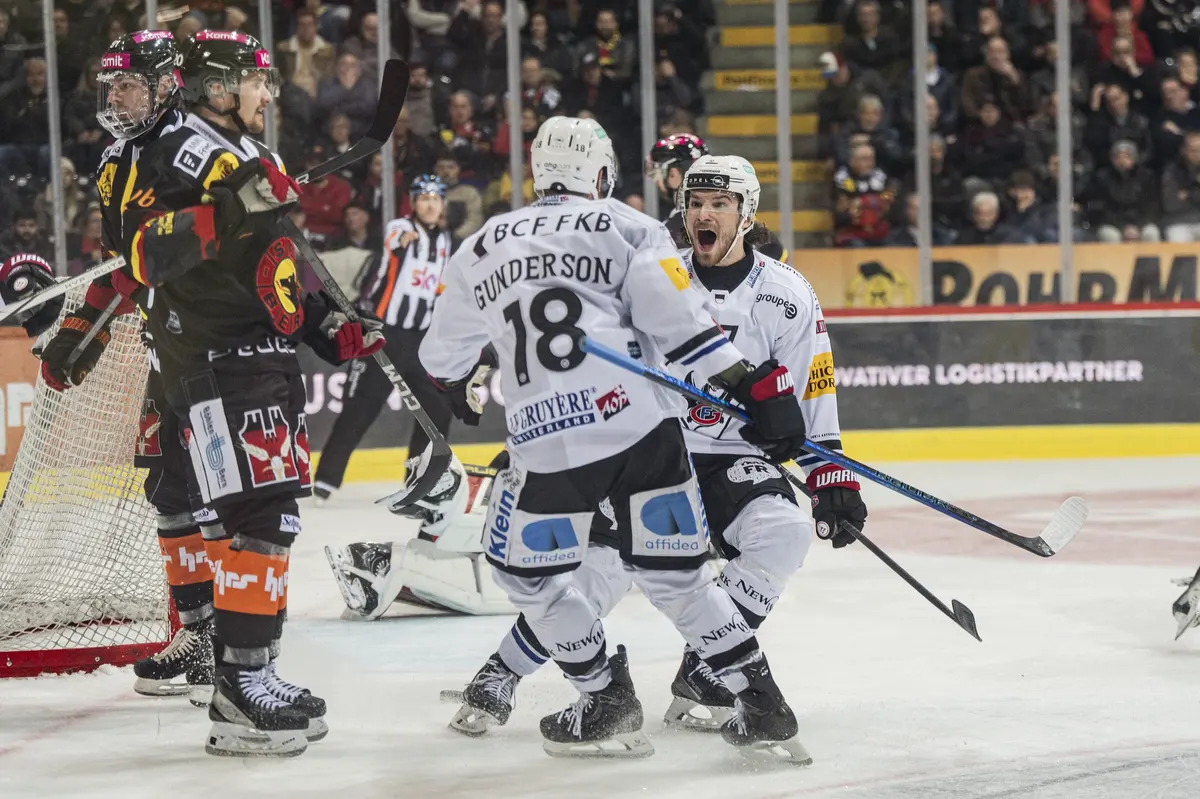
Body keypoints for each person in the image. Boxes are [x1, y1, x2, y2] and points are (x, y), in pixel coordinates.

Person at [419, 116, 812, 761]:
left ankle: (602, 695)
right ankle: (762, 703)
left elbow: (442, 360)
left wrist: (459, 381)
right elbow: (685, 327)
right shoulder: (631, 227)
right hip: (644, 435)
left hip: (548, 444)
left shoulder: (481, 245)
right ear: (601, 176)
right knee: (680, 579)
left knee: (524, 573)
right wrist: (754, 388)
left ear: (537, 176)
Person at [103, 30, 385, 757]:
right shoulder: (181, 151)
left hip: (251, 352)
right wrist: (230, 210)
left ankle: (248, 672)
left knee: (255, 516)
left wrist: (325, 326)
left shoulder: (243, 154)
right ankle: (238, 683)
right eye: (258, 85)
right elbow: (141, 252)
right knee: (259, 512)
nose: (270, 95)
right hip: (219, 358)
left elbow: (276, 258)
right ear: (220, 88)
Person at [36, 31, 229, 707]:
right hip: (164, 346)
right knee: (169, 492)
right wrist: (76, 331)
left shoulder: (198, 149)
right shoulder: (116, 162)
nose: (115, 97)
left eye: (128, 86)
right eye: (110, 86)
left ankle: (241, 642)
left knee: (219, 495)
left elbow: (240, 232)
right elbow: (126, 265)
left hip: (215, 343)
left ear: (167, 84)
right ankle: (200, 632)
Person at [313, 175, 455, 504]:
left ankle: (419, 480)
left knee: (437, 409)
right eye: (424, 198)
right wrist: (403, 240)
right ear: (414, 203)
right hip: (382, 334)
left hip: (422, 340)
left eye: (436, 199)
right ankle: (326, 480)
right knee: (359, 409)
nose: (430, 204)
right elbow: (395, 241)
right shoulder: (399, 227)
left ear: (443, 205)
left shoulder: (447, 241)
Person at [645, 132, 709, 239]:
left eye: (657, 172)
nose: (655, 181)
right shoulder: (713, 216)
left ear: (672, 174)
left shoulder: (667, 231)